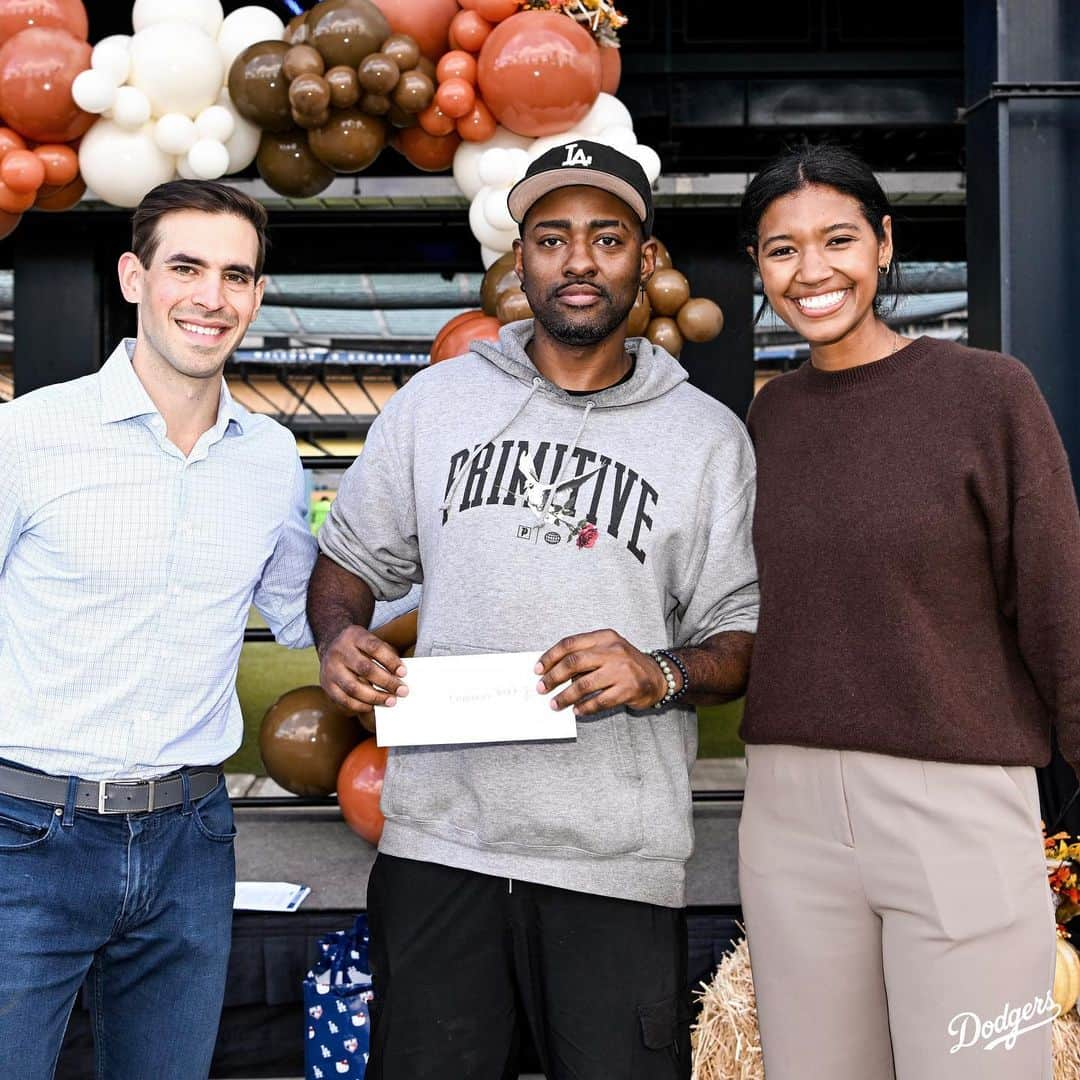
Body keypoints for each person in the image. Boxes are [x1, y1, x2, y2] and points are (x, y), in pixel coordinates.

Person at [308, 141, 759, 1079]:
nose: (578, 260)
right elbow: (347, 561)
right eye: (551, 238)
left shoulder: (708, 439)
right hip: (440, 847)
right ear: (520, 261)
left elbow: (740, 638)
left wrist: (658, 672)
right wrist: (339, 634)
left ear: (645, 256)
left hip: (613, 864)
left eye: (606, 236)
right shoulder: (435, 406)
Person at [737, 142, 1080, 1080]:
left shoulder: (990, 394)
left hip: (958, 803)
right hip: (790, 811)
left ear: (885, 244)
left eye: (838, 238)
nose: (813, 271)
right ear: (758, 268)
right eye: (781, 249)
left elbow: (1059, 604)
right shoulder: (769, 421)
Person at [0, 180, 318, 1079]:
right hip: (25, 835)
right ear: (134, 276)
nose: (210, 297)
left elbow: (306, 617)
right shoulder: (28, 436)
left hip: (190, 842)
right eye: (186, 267)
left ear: (256, 297)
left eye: (236, 276)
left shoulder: (270, 458)